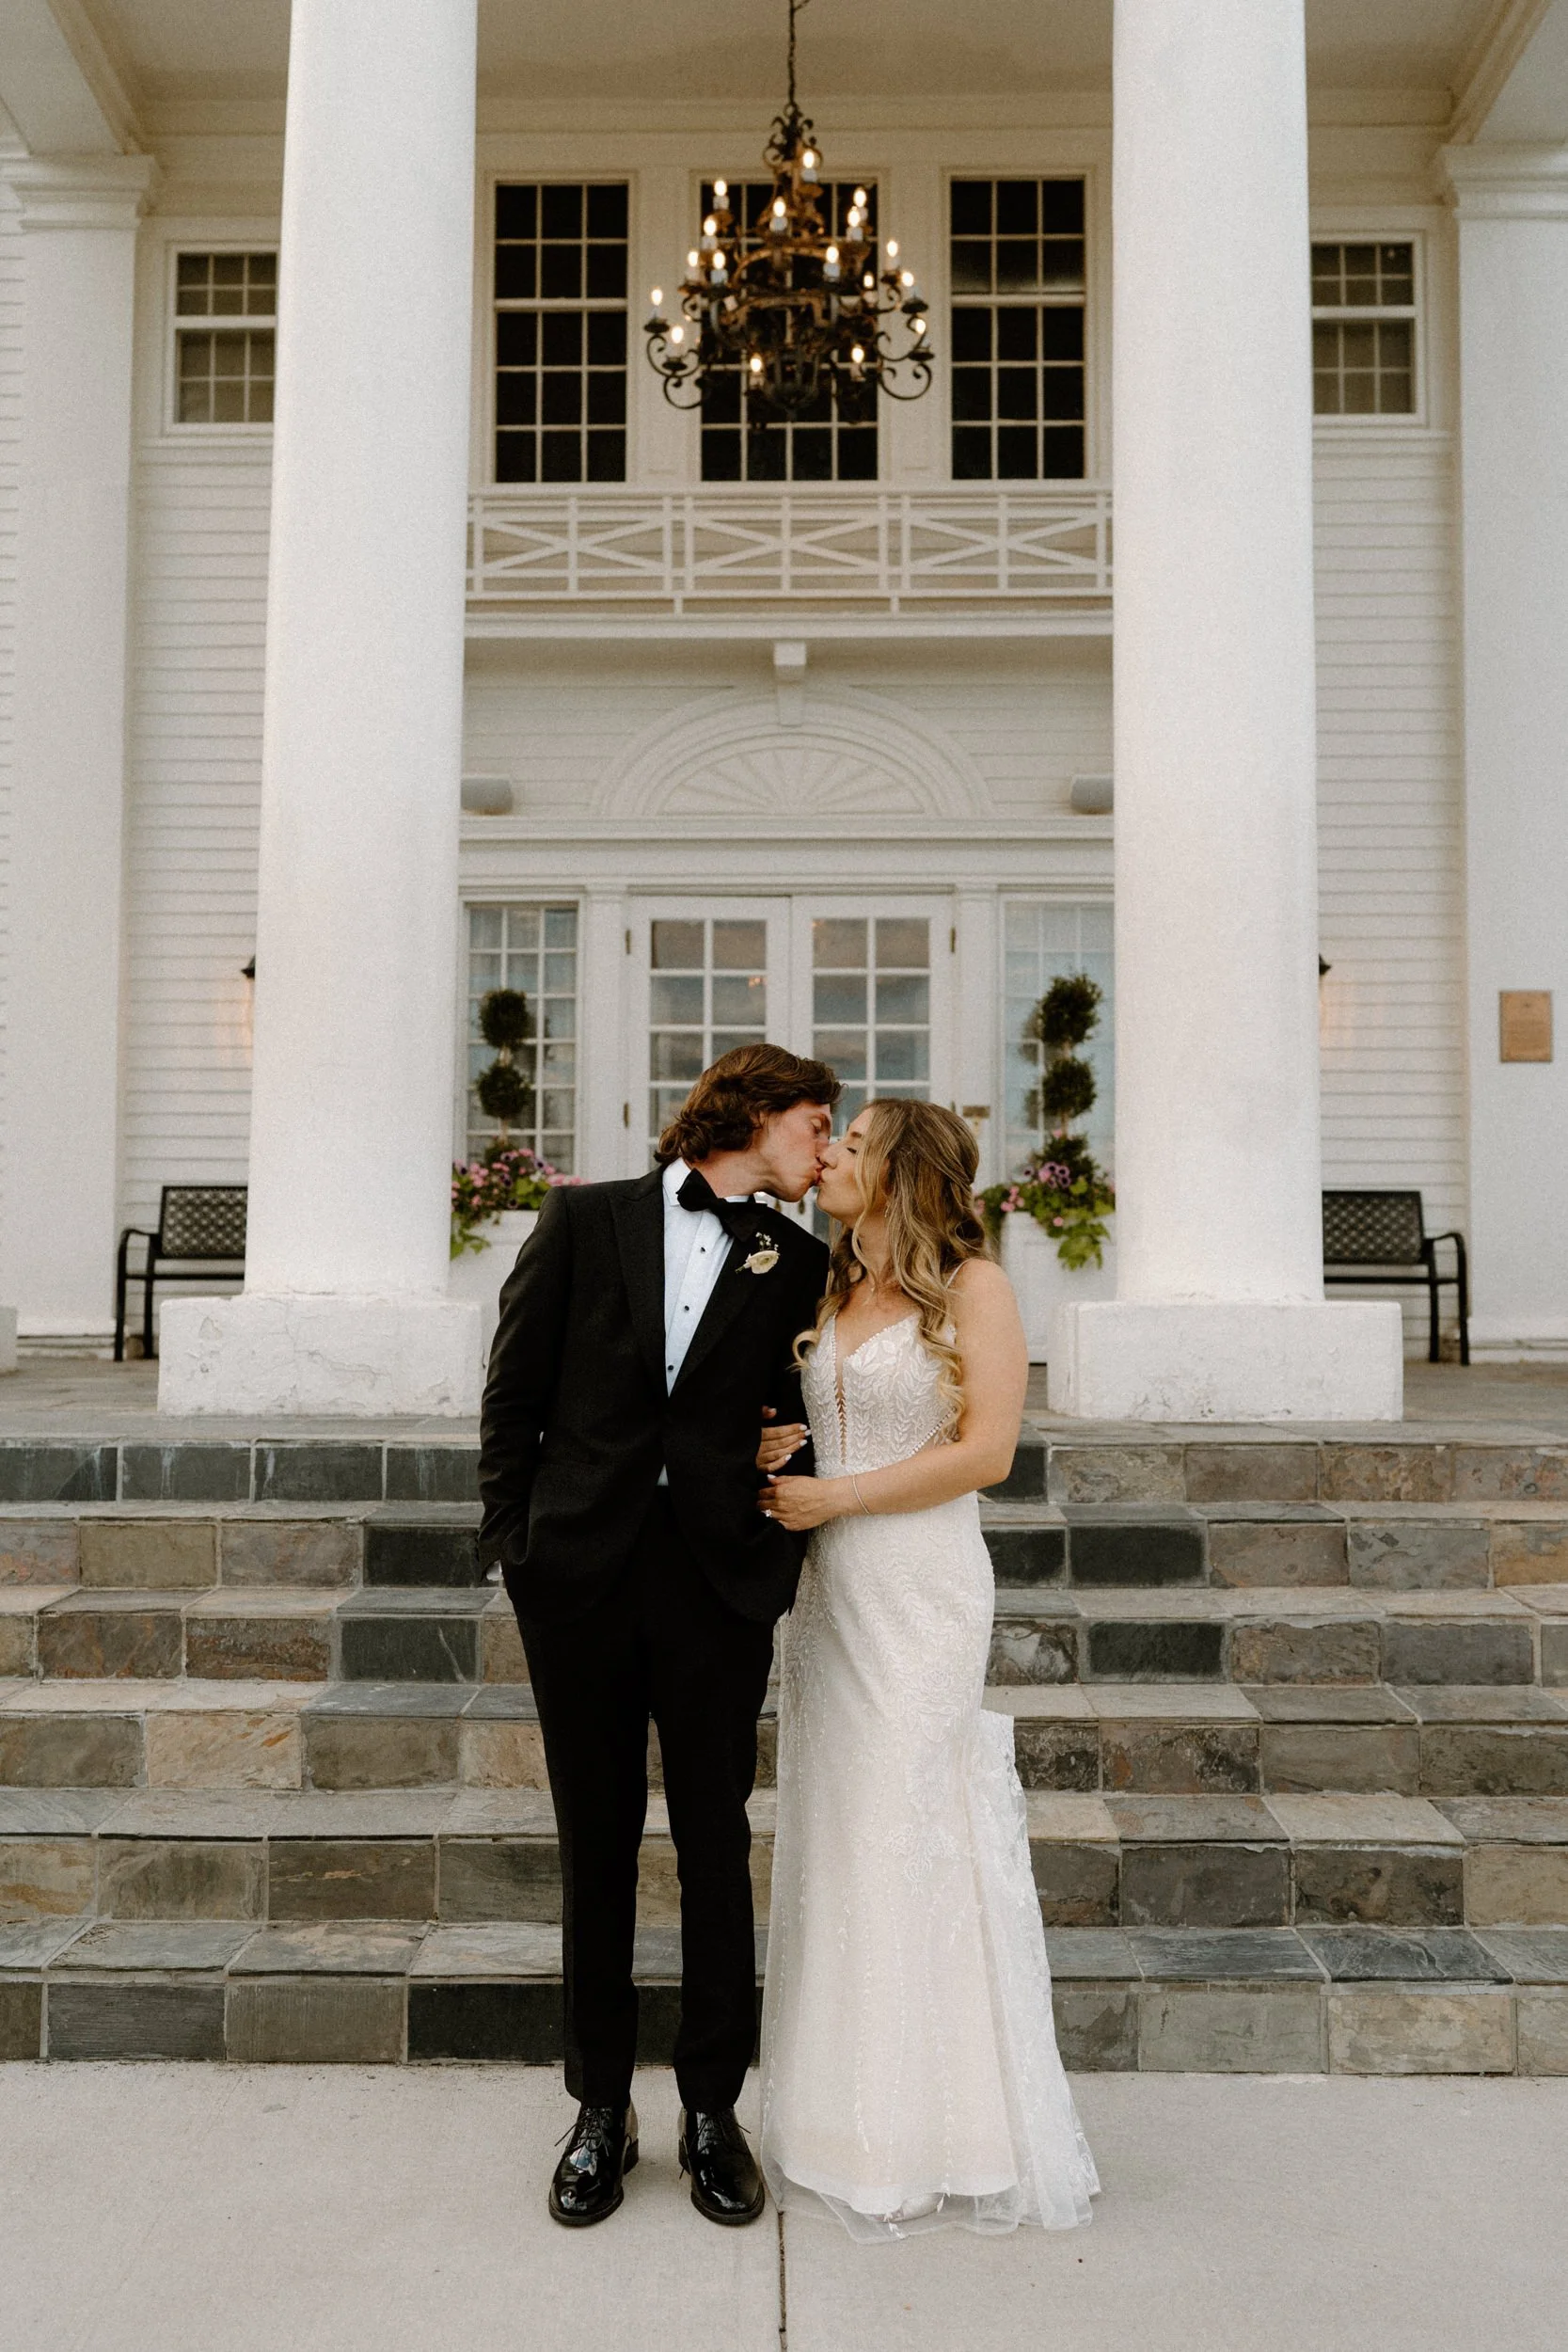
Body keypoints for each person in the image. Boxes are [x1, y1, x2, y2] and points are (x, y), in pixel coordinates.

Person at [479, 1043, 837, 2229]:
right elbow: (512, 1397)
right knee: (594, 1841)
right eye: (814, 1122)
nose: (824, 1147)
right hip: (575, 1578)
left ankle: (707, 2107)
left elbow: (807, 1417)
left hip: (714, 1588)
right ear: (752, 1112)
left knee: (712, 1843)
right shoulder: (585, 1224)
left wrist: (773, 1517)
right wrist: (515, 1547)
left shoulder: (803, 1261)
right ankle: (596, 2108)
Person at [755, 1098, 1100, 2240]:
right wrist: (777, 1450)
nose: (830, 1158)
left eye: (850, 1146)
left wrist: (838, 1493)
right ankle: (836, 2117)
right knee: (840, 1831)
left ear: (899, 1171)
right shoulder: (827, 1285)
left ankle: (941, 2128)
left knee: (911, 1827)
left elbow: (986, 1453)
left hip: (919, 1587)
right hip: (827, 1597)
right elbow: (821, 1417)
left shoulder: (975, 1288)